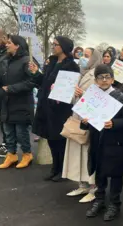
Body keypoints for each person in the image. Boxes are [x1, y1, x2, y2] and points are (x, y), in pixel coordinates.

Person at [84, 64, 123, 221]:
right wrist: (85, 121)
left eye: (107, 77)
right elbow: (85, 121)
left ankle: (114, 204)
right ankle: (99, 200)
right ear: (96, 80)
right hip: (98, 140)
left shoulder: (121, 96)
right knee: (100, 172)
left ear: (112, 79)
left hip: (115, 142)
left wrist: (115, 124)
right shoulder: (92, 96)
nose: (104, 80)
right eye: (100, 77)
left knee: (116, 174)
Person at [30, 36, 80, 182]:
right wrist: (36, 73)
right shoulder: (51, 62)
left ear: (63, 47)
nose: (53, 46)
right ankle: (54, 168)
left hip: (60, 109)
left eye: (55, 44)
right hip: (46, 106)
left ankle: (62, 170)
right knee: (51, 139)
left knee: (60, 140)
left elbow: (71, 88)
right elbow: (44, 82)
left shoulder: (71, 66)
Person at [0, 35, 35, 169]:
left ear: (17, 45)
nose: (6, 45)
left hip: (21, 102)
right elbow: (1, 79)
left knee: (21, 132)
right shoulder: (4, 60)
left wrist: (10, 88)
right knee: (8, 131)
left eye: (9, 43)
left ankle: (27, 154)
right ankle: (11, 155)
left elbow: (32, 82)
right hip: (6, 101)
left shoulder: (27, 61)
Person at [62, 48, 102, 203]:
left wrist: (82, 95)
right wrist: (74, 94)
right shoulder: (81, 73)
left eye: (87, 55)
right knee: (77, 151)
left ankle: (93, 186)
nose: (83, 57)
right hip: (77, 115)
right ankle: (82, 183)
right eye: (83, 54)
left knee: (87, 151)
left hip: (88, 118)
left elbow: (101, 95)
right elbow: (73, 97)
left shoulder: (98, 73)